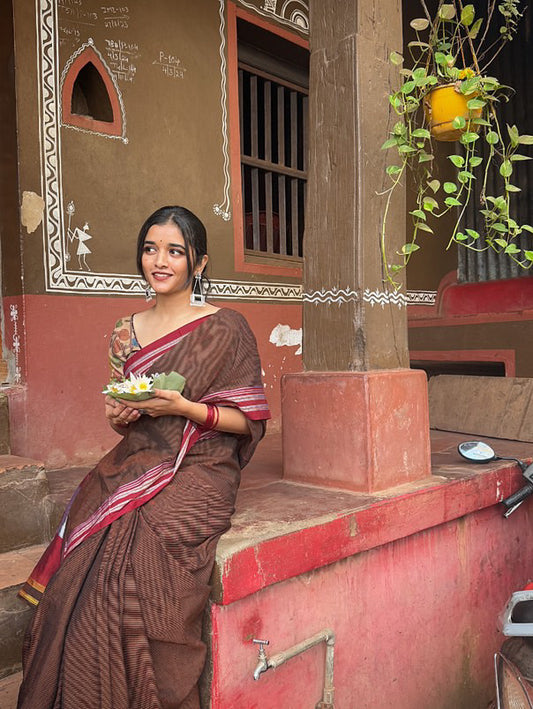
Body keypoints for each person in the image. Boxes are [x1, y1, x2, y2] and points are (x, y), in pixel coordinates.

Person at [17, 206, 270, 709]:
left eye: (175, 251)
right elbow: (121, 414)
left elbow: (251, 421)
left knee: (135, 567)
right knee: (81, 569)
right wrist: (120, 415)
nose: (160, 260)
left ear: (198, 264)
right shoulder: (124, 331)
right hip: (137, 457)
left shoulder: (226, 327)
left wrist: (184, 407)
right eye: (151, 248)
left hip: (202, 466)